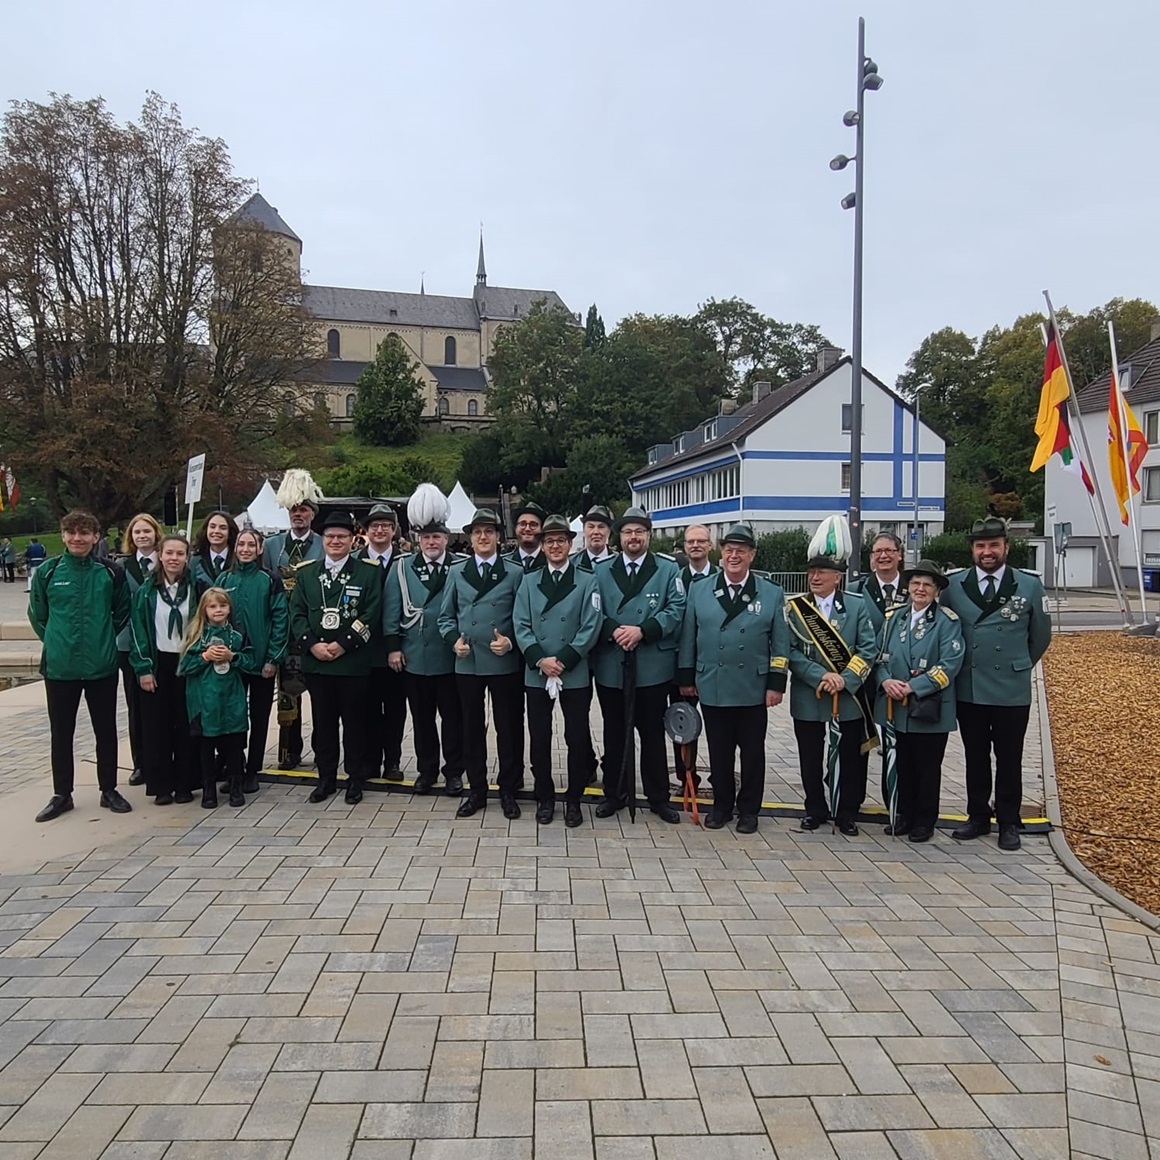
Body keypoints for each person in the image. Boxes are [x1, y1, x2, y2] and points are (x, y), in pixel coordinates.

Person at [941, 517, 1052, 851]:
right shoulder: (954, 585)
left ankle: (1008, 821)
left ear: (1006, 547)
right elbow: (946, 632)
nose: (986, 552)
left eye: (993, 545)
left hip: (1010, 687)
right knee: (975, 756)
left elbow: (1040, 637)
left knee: (1009, 757)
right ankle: (977, 816)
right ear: (972, 550)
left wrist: (1019, 665)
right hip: (971, 685)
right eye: (980, 546)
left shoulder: (1029, 585)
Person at [677, 524, 788, 833]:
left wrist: (776, 684)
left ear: (751, 555)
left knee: (752, 753)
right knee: (719, 751)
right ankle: (722, 806)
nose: (734, 556)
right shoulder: (700, 589)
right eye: (729, 550)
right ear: (721, 553)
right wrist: (686, 677)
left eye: (741, 550)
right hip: (713, 683)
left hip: (753, 686)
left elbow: (780, 644)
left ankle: (749, 810)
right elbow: (688, 637)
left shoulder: (771, 592)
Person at [29, 510, 134, 822]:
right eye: (72, 533)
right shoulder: (48, 572)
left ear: (95, 537)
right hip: (60, 668)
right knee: (62, 732)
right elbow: (38, 614)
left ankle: (109, 789)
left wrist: (103, 637)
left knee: (106, 730)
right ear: (63, 536)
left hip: (101, 665)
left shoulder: (110, 572)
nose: (78, 538)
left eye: (84, 533)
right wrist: (57, 641)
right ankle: (62, 794)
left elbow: (122, 610)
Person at [591, 507, 685, 824]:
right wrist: (615, 630)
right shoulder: (602, 570)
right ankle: (614, 794)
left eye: (640, 532)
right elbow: (591, 609)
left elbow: (676, 608)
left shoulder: (667, 569)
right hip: (612, 663)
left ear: (648, 535)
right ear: (619, 537)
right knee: (615, 733)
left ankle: (658, 798)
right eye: (628, 532)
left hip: (652, 666)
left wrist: (643, 630)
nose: (634, 537)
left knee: (652, 734)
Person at [514, 514, 602, 827]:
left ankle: (574, 798)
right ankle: (545, 796)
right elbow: (520, 624)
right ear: (542, 545)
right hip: (538, 671)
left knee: (576, 737)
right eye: (549, 541)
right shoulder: (528, 581)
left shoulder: (587, 580)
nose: (555, 546)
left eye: (561, 540)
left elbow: (591, 625)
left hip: (572, 670)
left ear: (570, 544)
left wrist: (563, 660)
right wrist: (540, 659)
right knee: (539, 736)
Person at [289, 511, 382, 805]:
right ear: (323, 540)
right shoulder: (307, 573)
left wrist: (343, 644)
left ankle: (355, 778)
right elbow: (297, 613)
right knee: (323, 724)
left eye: (342, 536)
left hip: (352, 662)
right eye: (330, 537)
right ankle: (325, 778)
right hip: (317, 663)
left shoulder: (368, 572)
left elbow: (371, 612)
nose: (335, 541)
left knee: (355, 725)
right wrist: (312, 645)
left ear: (353, 540)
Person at [438, 508, 526, 819]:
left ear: (498, 537)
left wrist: (510, 640)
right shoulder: (457, 571)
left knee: (509, 728)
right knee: (471, 728)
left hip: (503, 661)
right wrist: (454, 641)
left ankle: (508, 788)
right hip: (469, 661)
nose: (483, 537)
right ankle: (476, 789)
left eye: (489, 531)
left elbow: (523, 616)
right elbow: (445, 616)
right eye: (477, 532)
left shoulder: (514, 572)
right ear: (470, 538)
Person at [786, 547, 878, 835]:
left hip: (847, 694)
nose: (814, 577)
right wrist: (820, 676)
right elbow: (789, 650)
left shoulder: (856, 605)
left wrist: (845, 679)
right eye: (811, 572)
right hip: (810, 693)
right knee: (810, 756)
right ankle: (815, 808)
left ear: (837, 577)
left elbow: (868, 649)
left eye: (821, 572)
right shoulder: (795, 609)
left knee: (849, 756)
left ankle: (846, 812)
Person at [874, 559, 964, 842]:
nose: (920, 589)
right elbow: (877, 656)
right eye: (915, 583)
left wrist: (913, 687)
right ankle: (903, 814)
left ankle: (925, 821)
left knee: (926, 767)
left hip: (928, 707)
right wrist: (885, 681)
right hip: (894, 706)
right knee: (901, 764)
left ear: (937, 590)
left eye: (927, 584)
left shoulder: (947, 621)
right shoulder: (893, 618)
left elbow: (950, 663)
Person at [383, 485, 464, 797]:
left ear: (446, 539)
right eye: (427, 537)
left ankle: (454, 772)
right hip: (415, 656)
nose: (432, 542)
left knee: (453, 720)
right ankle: (426, 771)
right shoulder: (402, 567)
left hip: (450, 656)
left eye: (437, 537)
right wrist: (393, 648)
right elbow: (392, 609)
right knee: (422, 720)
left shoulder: (459, 565)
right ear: (418, 540)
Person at [130, 534, 209, 805]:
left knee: (187, 725)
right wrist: (143, 668)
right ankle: (161, 785)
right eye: (169, 553)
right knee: (157, 727)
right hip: (158, 662)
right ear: (160, 555)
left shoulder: (197, 588)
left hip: (187, 662)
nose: (174, 558)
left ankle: (185, 783)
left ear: (187, 557)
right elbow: (139, 630)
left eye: (180, 553)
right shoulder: (146, 591)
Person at [220, 528, 289, 792]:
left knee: (259, 717)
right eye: (241, 544)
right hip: (232, 662)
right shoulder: (225, 578)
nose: (246, 549)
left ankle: (253, 771)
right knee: (233, 717)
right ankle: (234, 767)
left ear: (260, 549)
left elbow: (280, 619)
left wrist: (273, 658)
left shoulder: (270, 580)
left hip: (261, 662)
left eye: (251, 545)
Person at [264, 475, 324, 770]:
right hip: (285, 632)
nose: (298, 514)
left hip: (317, 632)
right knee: (288, 695)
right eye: (293, 510)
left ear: (313, 513)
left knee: (322, 697)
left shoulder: (325, 544)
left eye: (303, 509)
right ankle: (290, 750)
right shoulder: (271, 545)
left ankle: (323, 750)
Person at [846, 531, 909, 804]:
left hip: (900, 680)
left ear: (900, 555)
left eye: (889, 551)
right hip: (863, 678)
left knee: (899, 744)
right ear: (871, 558)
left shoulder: (914, 587)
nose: (883, 556)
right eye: (877, 552)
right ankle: (852, 801)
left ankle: (895, 802)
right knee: (858, 742)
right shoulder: (857, 588)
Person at [179, 588, 252, 808]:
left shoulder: (237, 635)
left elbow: (251, 662)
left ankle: (236, 786)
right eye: (212, 606)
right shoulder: (196, 636)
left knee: (233, 745)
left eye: (222, 605)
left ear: (229, 608)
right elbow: (184, 667)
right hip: (205, 701)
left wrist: (233, 656)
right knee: (206, 747)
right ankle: (208, 788)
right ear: (204, 609)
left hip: (232, 699)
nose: (218, 610)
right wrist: (204, 656)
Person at [356, 503, 407, 781]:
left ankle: (393, 762)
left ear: (394, 529)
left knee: (396, 709)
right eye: (374, 525)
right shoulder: (355, 560)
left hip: (396, 650)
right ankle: (369, 761)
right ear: (366, 530)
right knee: (367, 709)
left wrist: (395, 645)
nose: (379, 530)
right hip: (362, 649)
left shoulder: (405, 561)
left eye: (385, 525)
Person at [117, 513, 163, 788]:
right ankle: (141, 762)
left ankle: (166, 757)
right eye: (137, 532)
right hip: (130, 644)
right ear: (131, 538)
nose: (143, 536)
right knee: (137, 705)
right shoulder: (122, 567)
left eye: (147, 531)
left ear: (156, 533)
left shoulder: (167, 562)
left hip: (163, 642)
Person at [670, 524, 718, 793]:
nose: (696, 545)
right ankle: (687, 779)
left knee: (718, 728)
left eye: (701, 541)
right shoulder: (674, 579)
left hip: (713, 665)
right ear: (685, 546)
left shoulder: (723, 578)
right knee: (683, 722)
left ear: (710, 545)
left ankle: (720, 778)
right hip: (680, 664)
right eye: (691, 541)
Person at [190, 511, 238, 585]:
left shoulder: (237, 559)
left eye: (223, 528)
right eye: (212, 527)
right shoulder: (196, 560)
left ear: (230, 532)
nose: (216, 531)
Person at [505, 500, 548, 574]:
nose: (527, 529)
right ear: (515, 528)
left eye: (533, 524)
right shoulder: (504, 563)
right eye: (522, 524)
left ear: (542, 529)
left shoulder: (551, 563)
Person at [573, 506, 615, 572]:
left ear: (609, 532)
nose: (596, 532)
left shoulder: (618, 562)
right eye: (591, 527)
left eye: (601, 527)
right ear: (583, 531)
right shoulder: (572, 563)